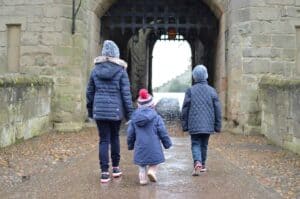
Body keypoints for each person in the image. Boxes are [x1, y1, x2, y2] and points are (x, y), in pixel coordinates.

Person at [86, 40, 134, 183]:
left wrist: (90, 110)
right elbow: (126, 94)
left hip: (99, 111)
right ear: (116, 54)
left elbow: (89, 92)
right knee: (114, 138)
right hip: (115, 111)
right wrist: (130, 113)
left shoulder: (95, 70)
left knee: (103, 140)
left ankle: (104, 172)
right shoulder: (121, 71)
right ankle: (116, 168)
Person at [181, 64, 222, 176]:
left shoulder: (190, 91)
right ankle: (202, 165)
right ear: (206, 76)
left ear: (194, 77)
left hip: (194, 124)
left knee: (195, 143)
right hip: (208, 124)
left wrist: (184, 125)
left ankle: (197, 161)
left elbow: (185, 109)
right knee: (204, 144)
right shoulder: (212, 90)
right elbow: (217, 109)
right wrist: (218, 125)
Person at [127, 89, 172, 185]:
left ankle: (142, 178)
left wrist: (130, 145)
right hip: (153, 146)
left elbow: (130, 133)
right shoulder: (156, 117)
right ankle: (152, 171)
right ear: (152, 105)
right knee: (154, 162)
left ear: (138, 106)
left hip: (140, 146)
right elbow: (162, 131)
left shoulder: (134, 119)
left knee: (142, 165)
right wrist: (167, 143)